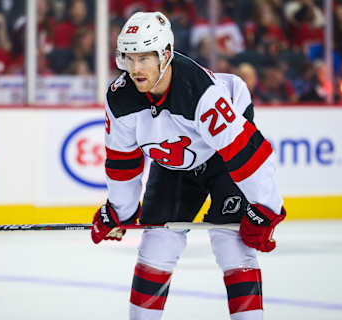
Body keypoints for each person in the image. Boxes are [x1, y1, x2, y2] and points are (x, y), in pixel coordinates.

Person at [90, 12, 286, 320]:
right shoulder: (120, 99)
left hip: (221, 159)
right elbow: (122, 162)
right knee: (157, 243)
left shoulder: (200, 92)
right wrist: (120, 211)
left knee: (232, 242)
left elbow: (248, 154)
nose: (136, 69)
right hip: (174, 163)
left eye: (145, 58)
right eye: (129, 58)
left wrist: (266, 209)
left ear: (165, 55)